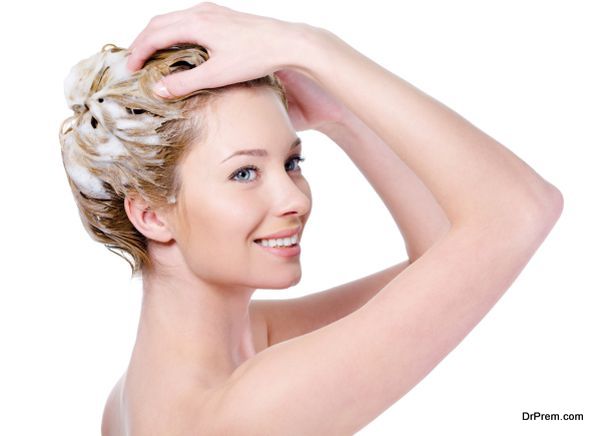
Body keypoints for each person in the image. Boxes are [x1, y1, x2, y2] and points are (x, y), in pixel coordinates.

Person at [59, 2, 563, 435]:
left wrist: (337, 118)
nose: (294, 199)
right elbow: (520, 210)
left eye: (292, 163)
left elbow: (446, 259)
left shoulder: (145, 390)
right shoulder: (239, 414)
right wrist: (313, 47)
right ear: (150, 214)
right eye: (244, 173)